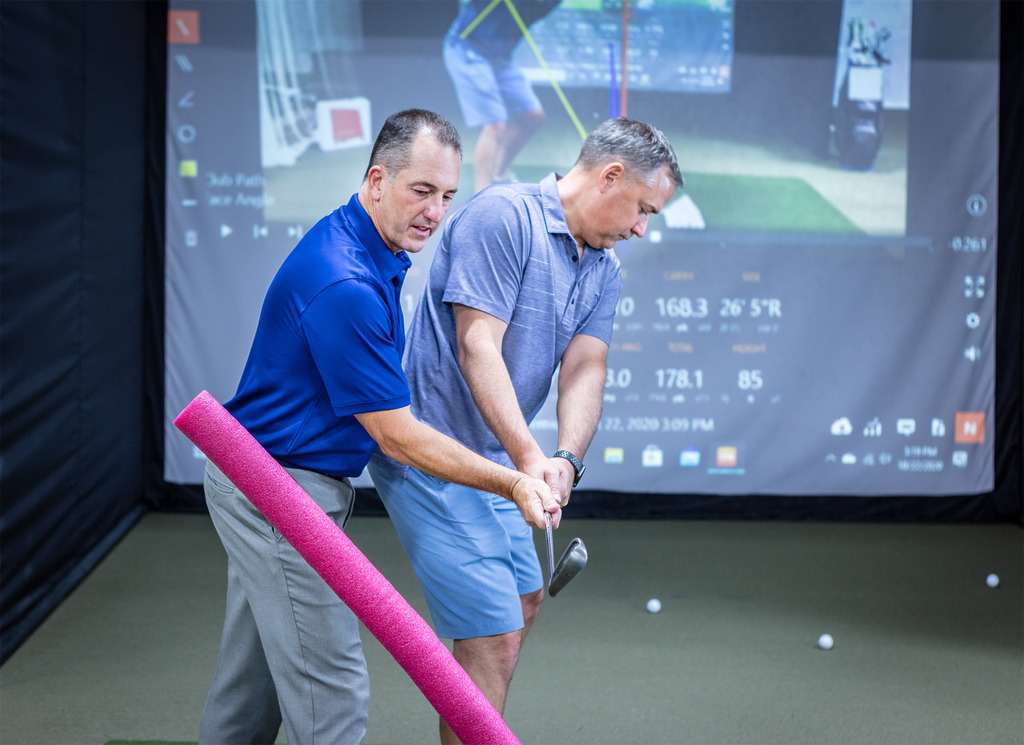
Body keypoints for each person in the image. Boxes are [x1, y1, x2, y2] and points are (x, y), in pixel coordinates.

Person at [197, 108, 561, 745]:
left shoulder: (375, 244)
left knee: (251, 686)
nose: (435, 211)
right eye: (421, 191)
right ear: (376, 181)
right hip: (277, 487)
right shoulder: (347, 280)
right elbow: (396, 436)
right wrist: (513, 483)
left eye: (447, 195)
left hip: (275, 475)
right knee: (332, 686)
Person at [369, 116, 684, 744]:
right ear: (610, 176)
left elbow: (586, 366)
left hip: (502, 466)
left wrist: (564, 459)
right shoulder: (502, 217)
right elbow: (476, 344)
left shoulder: (605, 267)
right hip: (432, 455)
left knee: (524, 602)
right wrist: (528, 456)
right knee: (492, 635)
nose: (643, 228)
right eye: (644, 208)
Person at [443, 0, 562, 193]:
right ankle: (481, 195)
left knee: (533, 116)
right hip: (466, 49)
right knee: (495, 124)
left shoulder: (548, 4)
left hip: (499, 58)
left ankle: (500, 174)